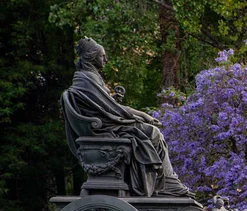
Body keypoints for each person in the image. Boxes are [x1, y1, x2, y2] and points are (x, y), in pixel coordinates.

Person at [63, 37, 191, 197]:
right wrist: (144, 116)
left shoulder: (89, 77)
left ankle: (168, 181)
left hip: (108, 125)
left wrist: (112, 100)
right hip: (107, 128)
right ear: (91, 56)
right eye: (102, 56)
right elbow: (115, 110)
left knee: (151, 133)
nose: (106, 59)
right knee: (154, 133)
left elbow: (105, 106)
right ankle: (167, 184)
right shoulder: (86, 79)